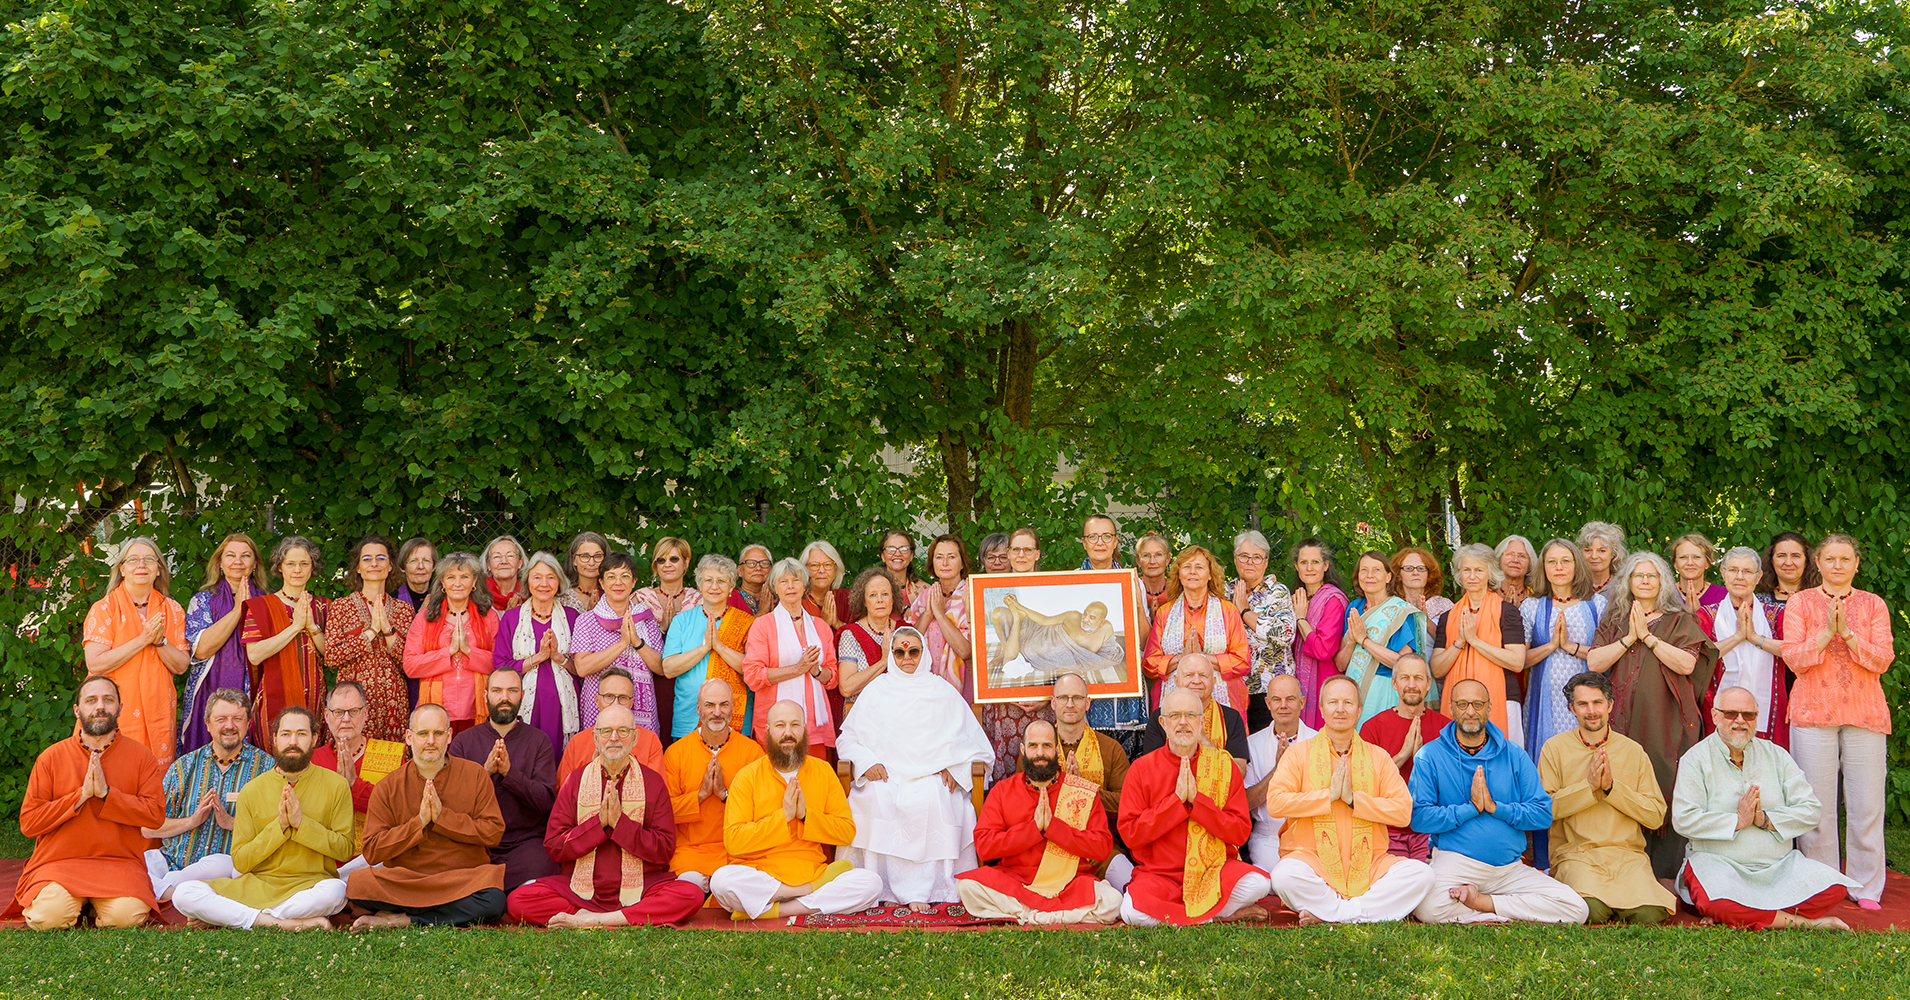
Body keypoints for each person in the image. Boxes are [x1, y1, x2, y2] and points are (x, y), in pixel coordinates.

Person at [1672, 686, 1858, 929]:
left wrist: (1765, 820)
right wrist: (1737, 821)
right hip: (1718, 865)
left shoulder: (1777, 755)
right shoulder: (1695, 758)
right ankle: (1804, 923)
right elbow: (1683, 819)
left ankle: (1743, 914)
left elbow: (1811, 810)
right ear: (1715, 716)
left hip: (1776, 867)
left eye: (1748, 715)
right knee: (1719, 902)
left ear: (1756, 718)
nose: (1740, 721)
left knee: (1834, 888)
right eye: (1731, 714)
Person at [504, 706, 705, 927]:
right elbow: (554, 845)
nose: (614, 738)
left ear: (635, 737)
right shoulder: (575, 781)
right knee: (518, 901)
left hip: (642, 886)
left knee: (690, 894)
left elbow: (664, 850)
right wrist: (598, 825)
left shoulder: (653, 783)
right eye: (606, 731)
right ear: (595, 737)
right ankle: (620, 917)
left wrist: (620, 824)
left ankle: (591, 919)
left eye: (623, 731)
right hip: (578, 890)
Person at [836, 626, 994, 909]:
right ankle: (881, 887)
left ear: (924, 654)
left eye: (913, 652)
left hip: (933, 776)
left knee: (938, 797)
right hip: (885, 776)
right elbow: (848, 738)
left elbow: (976, 747)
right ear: (891, 655)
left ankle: (932, 889)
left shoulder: (942, 691)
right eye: (899, 652)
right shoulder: (876, 690)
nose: (906, 658)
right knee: (876, 796)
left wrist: (957, 770)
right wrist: (867, 762)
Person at [1410, 678, 1587, 925]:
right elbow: (1419, 818)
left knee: (1576, 909)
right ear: (1451, 708)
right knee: (1428, 908)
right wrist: (1470, 809)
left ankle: (1482, 904)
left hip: (1508, 869)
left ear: (1489, 708)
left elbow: (1542, 815)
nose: (1470, 711)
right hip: (1456, 863)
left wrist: (1495, 808)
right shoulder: (1430, 755)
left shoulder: (1514, 755)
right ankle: (1505, 910)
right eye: (1462, 704)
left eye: (1477, 704)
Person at [1587, 551, 1717, 880]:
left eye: (1652, 576)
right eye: (1638, 575)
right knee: (1621, 781)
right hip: (1621, 720)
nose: (1645, 581)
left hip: (1667, 719)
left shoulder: (1678, 619)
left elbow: (1687, 664)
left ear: (1662, 582)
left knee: (1664, 781)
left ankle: (1664, 872)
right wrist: (1629, 637)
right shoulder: (1615, 618)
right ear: (1628, 582)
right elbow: (1595, 662)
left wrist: (1647, 637)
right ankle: (1621, 867)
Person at [1782, 534, 1895, 910]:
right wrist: (1826, 633)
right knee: (1816, 805)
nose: (1837, 566)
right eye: (1830, 559)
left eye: (1845, 559)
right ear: (1817, 562)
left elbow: (1882, 659)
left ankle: (1866, 887)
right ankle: (1823, 883)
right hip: (1813, 711)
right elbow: (1794, 659)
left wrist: (1847, 633)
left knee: (1867, 804)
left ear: (1857, 564)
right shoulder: (1800, 602)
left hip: (1865, 712)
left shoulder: (1873, 604)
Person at [1266, 676, 1435, 924]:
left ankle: (1335, 913)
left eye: (1347, 703)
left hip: (1370, 864)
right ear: (1321, 709)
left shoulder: (1378, 757)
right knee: (1284, 876)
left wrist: (1355, 800)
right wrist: (1328, 796)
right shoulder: (1298, 754)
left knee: (1422, 874)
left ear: (1359, 710)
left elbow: (1402, 811)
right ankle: (1358, 912)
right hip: (1312, 860)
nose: (1340, 709)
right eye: (1333, 702)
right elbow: (1275, 803)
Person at [170, 706, 354, 931]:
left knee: (336, 891)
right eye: (286, 734)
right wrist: (279, 828)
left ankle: (237, 917)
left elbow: (344, 850)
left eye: (301, 734)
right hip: (256, 886)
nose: (293, 741)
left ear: (314, 739)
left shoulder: (336, 786)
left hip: (310, 885)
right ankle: (279, 923)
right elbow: (241, 861)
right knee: (184, 893)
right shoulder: (252, 790)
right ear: (275, 739)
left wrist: (301, 824)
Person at [8, 676, 166, 929]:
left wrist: (107, 795)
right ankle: (80, 902)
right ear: (77, 710)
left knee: (126, 918)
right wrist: (80, 796)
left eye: (108, 700)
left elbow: (155, 815)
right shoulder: (51, 757)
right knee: (47, 918)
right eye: (91, 700)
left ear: (120, 708)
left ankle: (90, 903)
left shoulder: (141, 756)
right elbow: (29, 823)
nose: (100, 706)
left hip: (118, 862)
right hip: (58, 863)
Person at [709, 700, 883, 919]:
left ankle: (775, 910)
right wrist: (783, 817)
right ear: (768, 730)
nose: (788, 733)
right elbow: (733, 842)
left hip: (811, 871)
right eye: (780, 725)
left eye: (795, 725)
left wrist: (805, 816)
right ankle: (804, 895)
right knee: (722, 881)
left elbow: (846, 831)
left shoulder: (823, 771)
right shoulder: (747, 777)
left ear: (805, 729)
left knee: (871, 883)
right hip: (762, 874)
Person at [346, 704, 508, 929]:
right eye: (423, 734)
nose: (431, 741)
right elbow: (372, 851)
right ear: (409, 737)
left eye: (438, 733)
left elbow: (493, 833)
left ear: (449, 736)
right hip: (407, 880)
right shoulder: (388, 786)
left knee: (493, 901)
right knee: (358, 885)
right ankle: (442, 913)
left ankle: (405, 918)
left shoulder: (476, 775)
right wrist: (419, 823)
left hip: (461, 879)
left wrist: (443, 818)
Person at [1117, 689, 1270, 926]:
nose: (1183, 722)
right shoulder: (1141, 769)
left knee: (1259, 884)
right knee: (1131, 913)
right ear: (1163, 723)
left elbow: (1240, 832)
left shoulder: (1223, 765)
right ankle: (1217, 917)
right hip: (1161, 875)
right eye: (1175, 715)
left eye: (1190, 715)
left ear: (1202, 721)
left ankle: (1187, 917)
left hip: (1213, 871)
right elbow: (1130, 835)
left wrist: (1198, 803)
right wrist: (1176, 803)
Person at [1538, 672, 1677, 924]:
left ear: (1610, 705)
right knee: (1591, 910)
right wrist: (1588, 787)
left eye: (1597, 702)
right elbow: (1544, 811)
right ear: (1571, 708)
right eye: (1583, 704)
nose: (1591, 711)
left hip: (1626, 856)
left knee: (1650, 914)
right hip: (1577, 855)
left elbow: (1655, 816)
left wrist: (1612, 789)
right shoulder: (1554, 748)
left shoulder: (1632, 751)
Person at [956, 720, 1123, 924]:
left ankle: (1028, 915)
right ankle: (1055, 916)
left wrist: (1054, 828)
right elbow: (984, 847)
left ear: (1057, 750)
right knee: (966, 886)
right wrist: (1033, 829)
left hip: (1070, 883)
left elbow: (1102, 848)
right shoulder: (1003, 790)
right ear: (1023, 749)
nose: (1040, 753)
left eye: (1047, 745)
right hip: (1017, 881)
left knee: (1112, 901)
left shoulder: (1080, 791)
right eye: (1033, 746)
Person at [143, 689, 274, 900]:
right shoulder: (183, 767)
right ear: (208, 724)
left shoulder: (266, 769)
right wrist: (191, 821)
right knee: (131, 864)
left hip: (226, 869)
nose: (229, 726)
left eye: (237, 719)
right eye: (221, 719)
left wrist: (232, 823)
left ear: (248, 723)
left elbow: (276, 829)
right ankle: (177, 893)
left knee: (219, 865)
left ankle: (169, 892)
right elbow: (148, 828)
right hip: (173, 862)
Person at [447, 668, 560, 889]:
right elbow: (453, 801)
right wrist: (485, 773)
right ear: (485, 695)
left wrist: (510, 773)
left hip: (525, 842)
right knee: (454, 870)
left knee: (541, 868)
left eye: (512, 691)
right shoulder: (464, 742)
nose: (504, 698)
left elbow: (545, 802)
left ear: (522, 695)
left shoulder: (539, 741)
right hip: (477, 840)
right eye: (497, 691)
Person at [81, 536, 189, 764]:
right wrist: (143, 640)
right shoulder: (104, 608)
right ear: (122, 569)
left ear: (158, 569)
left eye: (149, 559)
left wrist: (160, 642)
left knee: (154, 776)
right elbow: (95, 663)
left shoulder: (173, 609)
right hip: (114, 710)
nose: (141, 565)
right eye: (133, 560)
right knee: (112, 772)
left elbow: (181, 666)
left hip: (158, 708)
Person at [663, 678, 767, 892]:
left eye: (724, 705)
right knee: (688, 883)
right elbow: (665, 812)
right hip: (691, 852)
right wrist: (700, 795)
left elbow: (761, 812)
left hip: (737, 851)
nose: (717, 712)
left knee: (743, 883)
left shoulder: (752, 752)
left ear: (733, 708)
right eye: (710, 705)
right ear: (698, 709)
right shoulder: (676, 753)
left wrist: (724, 794)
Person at [179, 533, 269, 755]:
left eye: (245, 555)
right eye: (230, 555)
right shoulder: (203, 600)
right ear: (220, 563)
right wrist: (239, 609)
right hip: (210, 689)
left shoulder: (269, 601)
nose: (238, 561)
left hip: (257, 689)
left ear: (255, 564)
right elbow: (201, 650)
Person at [1520, 538, 1607, 766]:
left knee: (1585, 760)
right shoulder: (1531, 606)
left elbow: (1607, 656)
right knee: (1549, 761)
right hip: (1544, 699)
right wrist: (1551, 646)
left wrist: (1570, 646)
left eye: (1566, 561)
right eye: (1552, 562)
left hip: (1588, 698)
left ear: (1577, 564)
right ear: (1543, 567)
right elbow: (1521, 661)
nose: (1559, 567)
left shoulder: (1597, 604)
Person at [741, 558, 839, 758]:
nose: (791, 586)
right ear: (775, 588)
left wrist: (816, 671)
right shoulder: (763, 625)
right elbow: (753, 676)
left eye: (796, 580)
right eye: (783, 581)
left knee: (813, 776)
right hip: (775, 724)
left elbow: (833, 677)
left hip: (813, 725)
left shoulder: (820, 626)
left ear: (805, 585)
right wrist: (797, 669)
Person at [1431, 543, 1528, 740]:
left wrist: (1474, 641)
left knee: (1502, 756)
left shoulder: (1507, 611)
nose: (1472, 576)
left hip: (1502, 699)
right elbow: (1437, 669)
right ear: (1459, 574)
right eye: (1466, 570)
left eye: (1479, 570)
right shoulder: (1448, 617)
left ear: (1490, 573)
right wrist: (1459, 642)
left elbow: (1517, 662)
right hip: (1458, 704)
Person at [325, 534, 416, 744]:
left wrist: (387, 631)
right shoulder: (341, 607)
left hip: (393, 702)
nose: (374, 563)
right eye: (367, 559)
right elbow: (331, 657)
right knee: (351, 756)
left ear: (390, 566)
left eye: (381, 558)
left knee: (391, 758)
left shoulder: (404, 610)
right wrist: (372, 631)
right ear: (358, 568)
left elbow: (409, 664)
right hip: (352, 704)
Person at [1358, 653, 1448, 859]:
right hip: (1387, 829)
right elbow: (1365, 786)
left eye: (1418, 678)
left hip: (1430, 831)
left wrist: (1422, 763)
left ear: (1428, 684)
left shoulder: (1446, 728)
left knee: (1428, 875)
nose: (1411, 684)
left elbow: (1453, 788)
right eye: (1405, 678)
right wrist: (1402, 755)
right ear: (1394, 683)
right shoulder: (1373, 728)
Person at [243, 536, 330, 748]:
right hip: (273, 698)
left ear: (312, 567)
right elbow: (254, 655)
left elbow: (331, 656)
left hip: (314, 698)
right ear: (280, 567)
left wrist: (312, 628)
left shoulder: (325, 606)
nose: (297, 570)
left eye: (304, 564)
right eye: (290, 563)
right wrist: (295, 627)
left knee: (311, 755)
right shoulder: (260, 606)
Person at [492, 551, 582, 757]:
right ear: (527, 581)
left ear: (559, 582)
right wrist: (539, 657)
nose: (544, 584)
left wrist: (558, 657)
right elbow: (501, 668)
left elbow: (582, 668)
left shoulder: (572, 617)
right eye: (537, 577)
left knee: (559, 761)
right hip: (523, 704)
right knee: (525, 758)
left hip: (562, 709)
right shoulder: (512, 618)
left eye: (550, 577)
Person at [1144, 544, 1250, 710]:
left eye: (1199, 567)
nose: (1192, 572)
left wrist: (1201, 658)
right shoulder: (1165, 613)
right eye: (1187, 567)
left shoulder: (1228, 611)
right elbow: (1149, 664)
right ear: (1179, 574)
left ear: (1210, 575)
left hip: (1226, 703)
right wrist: (1181, 658)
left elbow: (1242, 662)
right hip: (1172, 704)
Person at [402, 552, 498, 736]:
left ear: (474, 581)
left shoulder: (489, 617)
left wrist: (468, 650)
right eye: (451, 577)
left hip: (478, 708)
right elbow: (410, 666)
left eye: (464, 577)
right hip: (436, 712)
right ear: (442, 582)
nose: (458, 583)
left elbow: (499, 663)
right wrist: (449, 652)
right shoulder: (425, 618)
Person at [311, 681, 407, 863]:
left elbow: (400, 809)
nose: (346, 719)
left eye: (354, 711)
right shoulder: (313, 760)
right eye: (338, 712)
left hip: (378, 860)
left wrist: (355, 785)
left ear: (366, 713)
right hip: (325, 862)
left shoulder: (391, 756)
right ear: (326, 716)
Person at [660, 554, 753, 739]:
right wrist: (704, 647)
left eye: (721, 581)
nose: (714, 586)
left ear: (731, 587)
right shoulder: (681, 621)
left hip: (734, 717)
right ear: (700, 586)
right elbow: (669, 669)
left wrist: (719, 647)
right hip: (689, 717)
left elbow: (752, 669)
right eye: (708, 580)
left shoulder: (746, 622)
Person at [572, 551, 665, 734]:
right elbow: (582, 668)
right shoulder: (587, 621)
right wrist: (622, 643)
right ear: (601, 582)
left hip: (641, 708)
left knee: (641, 750)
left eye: (625, 576)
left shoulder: (645, 618)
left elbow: (661, 667)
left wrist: (637, 642)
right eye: (611, 576)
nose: (618, 582)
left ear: (634, 582)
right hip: (600, 708)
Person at [1705, 547, 1789, 747]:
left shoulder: (1776, 614)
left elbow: (1791, 651)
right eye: (1733, 570)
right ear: (1723, 574)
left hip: (1771, 710)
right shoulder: (1707, 615)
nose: (1740, 577)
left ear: (1758, 577)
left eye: (1747, 571)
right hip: (1716, 704)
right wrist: (1737, 637)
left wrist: (1754, 637)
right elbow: (1701, 657)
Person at [1334, 550, 1425, 726]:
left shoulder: (1400, 612)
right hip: (1353, 688)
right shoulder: (1354, 607)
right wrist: (1352, 640)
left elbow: (1403, 664)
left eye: (1376, 570)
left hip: (1384, 691)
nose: (1369, 575)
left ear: (1388, 577)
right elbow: (1341, 665)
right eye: (1364, 570)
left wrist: (1364, 641)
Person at [1242, 674, 1314, 869]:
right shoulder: (1252, 744)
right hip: (1267, 838)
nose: (1283, 705)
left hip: (1310, 837)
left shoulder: (1319, 743)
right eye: (1276, 699)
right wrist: (1277, 770)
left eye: (1290, 699)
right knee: (1269, 881)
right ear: (1267, 703)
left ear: (1302, 702)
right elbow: (1245, 802)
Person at [1230, 529, 1295, 734]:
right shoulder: (1224, 592)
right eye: (1244, 556)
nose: (1250, 562)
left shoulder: (1277, 592)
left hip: (1269, 691)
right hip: (1232, 689)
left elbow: (1285, 634)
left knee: (1269, 747)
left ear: (1265, 562)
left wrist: (1244, 612)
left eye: (1257, 557)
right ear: (1235, 559)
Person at [556, 667, 667, 787]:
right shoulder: (577, 743)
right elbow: (564, 793)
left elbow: (657, 791)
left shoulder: (649, 741)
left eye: (623, 698)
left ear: (631, 703)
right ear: (597, 701)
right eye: (609, 696)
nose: (615, 704)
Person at [1140, 654, 1251, 766]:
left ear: (1214, 682)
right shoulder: (1161, 717)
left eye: (1203, 675)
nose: (1196, 681)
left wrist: (1202, 739)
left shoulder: (1231, 718)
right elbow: (1150, 768)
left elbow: (1239, 771)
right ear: (1176, 681)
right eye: (1189, 675)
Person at [1290, 538, 1348, 731]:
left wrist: (1301, 619)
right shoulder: (1297, 598)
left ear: (1325, 565)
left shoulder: (1333, 600)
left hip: (1324, 681)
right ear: (1296, 566)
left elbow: (1324, 649)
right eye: (1304, 562)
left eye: (1315, 562)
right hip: (1299, 682)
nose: (1309, 568)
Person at [906, 534, 974, 696]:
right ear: (932, 562)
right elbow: (908, 642)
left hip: (963, 685)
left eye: (951, 557)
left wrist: (939, 614)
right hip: (925, 686)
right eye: (939, 557)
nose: (945, 563)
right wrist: (928, 613)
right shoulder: (925, 596)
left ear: (962, 563)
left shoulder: (970, 596)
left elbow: (965, 651)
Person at [834, 566, 903, 702]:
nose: (880, 600)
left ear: (893, 598)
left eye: (885, 594)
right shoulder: (851, 635)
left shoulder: (904, 631)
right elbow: (846, 688)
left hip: (900, 709)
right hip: (863, 711)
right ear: (864, 601)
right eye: (873, 595)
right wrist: (884, 661)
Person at [637, 536, 699, 636]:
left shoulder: (697, 600)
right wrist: (662, 628)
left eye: (674, 559)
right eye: (661, 560)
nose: (667, 564)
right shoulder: (641, 598)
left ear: (686, 563)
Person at [1392, 546, 1452, 628]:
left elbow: (1451, 635)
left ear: (1429, 574)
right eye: (1408, 568)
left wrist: (1425, 619)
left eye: (1421, 568)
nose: (1415, 573)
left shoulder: (1443, 606)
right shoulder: (1390, 607)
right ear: (1398, 575)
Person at [1757, 531, 1818, 610]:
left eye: (1796, 556)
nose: (1788, 563)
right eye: (1781, 556)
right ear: (1771, 560)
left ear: (1806, 561)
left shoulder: (1820, 600)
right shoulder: (1758, 602)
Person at [799, 540, 852, 631]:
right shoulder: (795, 600)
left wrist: (837, 623)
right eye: (814, 565)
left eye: (827, 565)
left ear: (836, 569)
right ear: (804, 569)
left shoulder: (849, 599)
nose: (821, 571)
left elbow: (863, 636)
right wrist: (823, 623)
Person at [1670, 533, 1728, 613]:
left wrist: (1699, 613)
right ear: (1675, 564)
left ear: (1707, 563)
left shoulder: (1724, 596)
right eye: (1683, 557)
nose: (1690, 563)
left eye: (1697, 557)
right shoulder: (1664, 595)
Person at [559, 531, 609, 612]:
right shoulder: (562, 598)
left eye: (598, 556)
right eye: (585, 556)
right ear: (574, 560)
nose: (591, 563)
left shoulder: (612, 594)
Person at [1577, 521, 1629, 595]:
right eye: (1588, 550)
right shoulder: (1573, 584)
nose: (1594, 556)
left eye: (1601, 551)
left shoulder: (1624, 586)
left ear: (1613, 553)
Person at [481, 534, 530, 612]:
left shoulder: (529, 593)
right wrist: (509, 615)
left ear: (520, 563)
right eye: (497, 556)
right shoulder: (479, 594)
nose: (504, 561)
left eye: (510, 556)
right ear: (488, 565)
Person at [1134, 532, 1173, 619]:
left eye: (1158, 555)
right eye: (1146, 555)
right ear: (1138, 561)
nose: (1152, 561)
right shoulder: (1132, 590)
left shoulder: (1176, 591)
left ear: (1167, 559)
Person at [1496, 535, 1539, 606]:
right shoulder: (1486, 594)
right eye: (1509, 554)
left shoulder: (1537, 598)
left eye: (1522, 556)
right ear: (1498, 560)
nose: (1515, 560)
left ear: (1530, 564)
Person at [394, 537, 436, 610]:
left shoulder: (445, 598)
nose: (420, 567)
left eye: (426, 561)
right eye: (413, 561)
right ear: (403, 567)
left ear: (433, 566)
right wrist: (420, 615)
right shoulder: (392, 602)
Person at [731, 544, 774, 614]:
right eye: (751, 563)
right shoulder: (730, 597)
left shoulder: (779, 597)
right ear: (740, 571)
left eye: (764, 563)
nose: (758, 568)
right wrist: (762, 612)